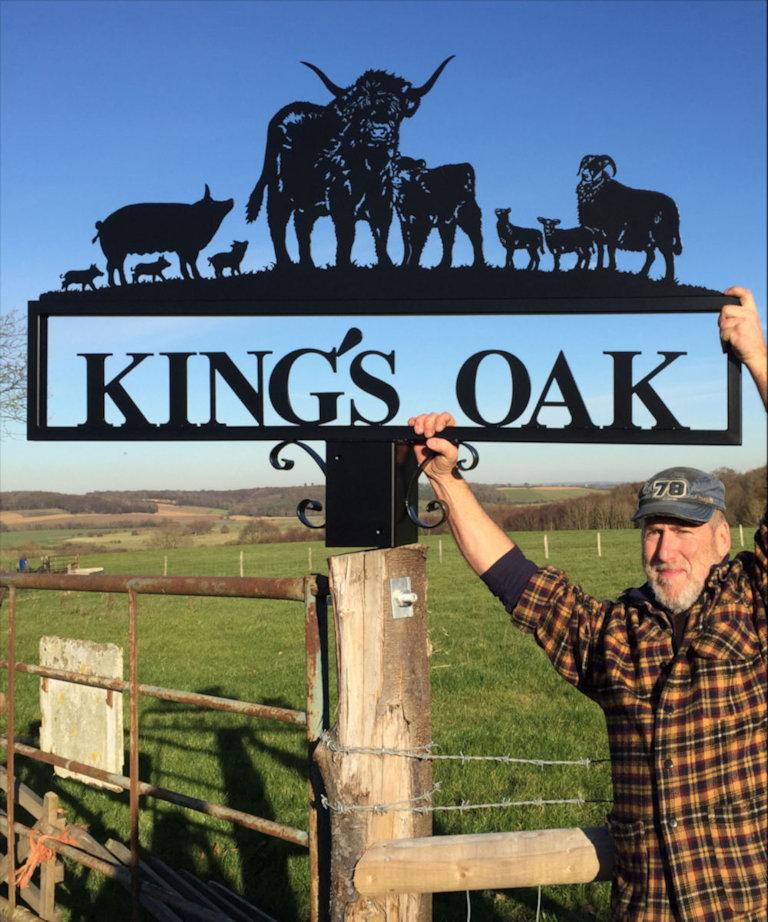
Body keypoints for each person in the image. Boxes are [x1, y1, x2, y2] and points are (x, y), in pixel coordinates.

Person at [409, 286, 767, 922]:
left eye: (683, 530)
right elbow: (516, 579)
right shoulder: (614, 634)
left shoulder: (754, 600)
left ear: (722, 537)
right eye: (653, 530)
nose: (665, 549)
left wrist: (757, 357)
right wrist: (445, 481)